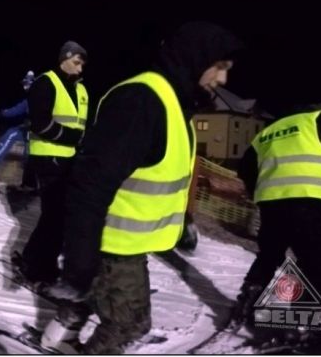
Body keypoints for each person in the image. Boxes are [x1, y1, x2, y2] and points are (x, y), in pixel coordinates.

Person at [41, 21, 242, 353]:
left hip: (122, 242)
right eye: (219, 67)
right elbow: (90, 184)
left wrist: (182, 222)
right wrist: (80, 260)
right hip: (111, 243)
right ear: (195, 58)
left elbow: (161, 176)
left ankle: (56, 338)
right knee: (129, 322)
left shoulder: (173, 104)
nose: (223, 79)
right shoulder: (142, 101)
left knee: (93, 296)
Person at [233, 104, 321, 327]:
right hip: (310, 200)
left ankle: (249, 300)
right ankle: (303, 323)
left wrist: (259, 193)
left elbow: (245, 168)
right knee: (315, 261)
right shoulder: (317, 121)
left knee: (269, 255)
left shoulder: (268, 131)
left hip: (271, 204)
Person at [11, 41, 89, 287]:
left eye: (82, 64)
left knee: (58, 216)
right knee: (55, 215)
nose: (80, 68)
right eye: (76, 62)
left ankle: (36, 262)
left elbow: (81, 126)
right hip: (48, 158)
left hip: (70, 160)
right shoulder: (46, 83)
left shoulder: (81, 90)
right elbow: (41, 124)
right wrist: (75, 138)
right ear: (64, 58)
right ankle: (38, 268)